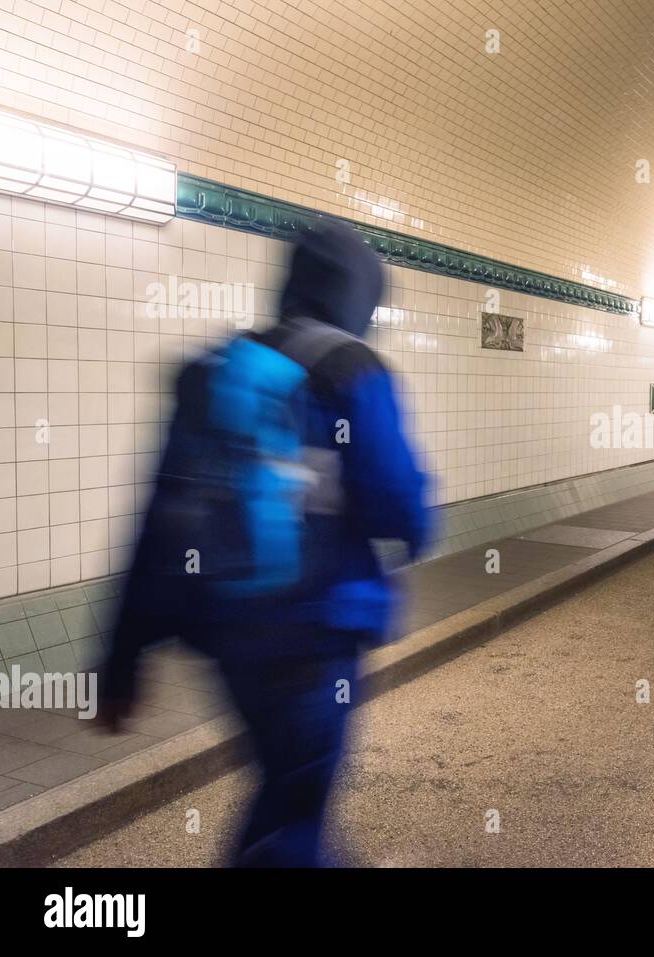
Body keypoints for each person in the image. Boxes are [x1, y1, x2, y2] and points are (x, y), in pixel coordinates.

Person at [100, 219, 431, 867]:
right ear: (359, 297)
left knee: (285, 788)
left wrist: (121, 656)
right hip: (316, 636)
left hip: (227, 640)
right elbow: (402, 506)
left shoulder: (213, 370)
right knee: (295, 810)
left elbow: (157, 519)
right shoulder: (352, 369)